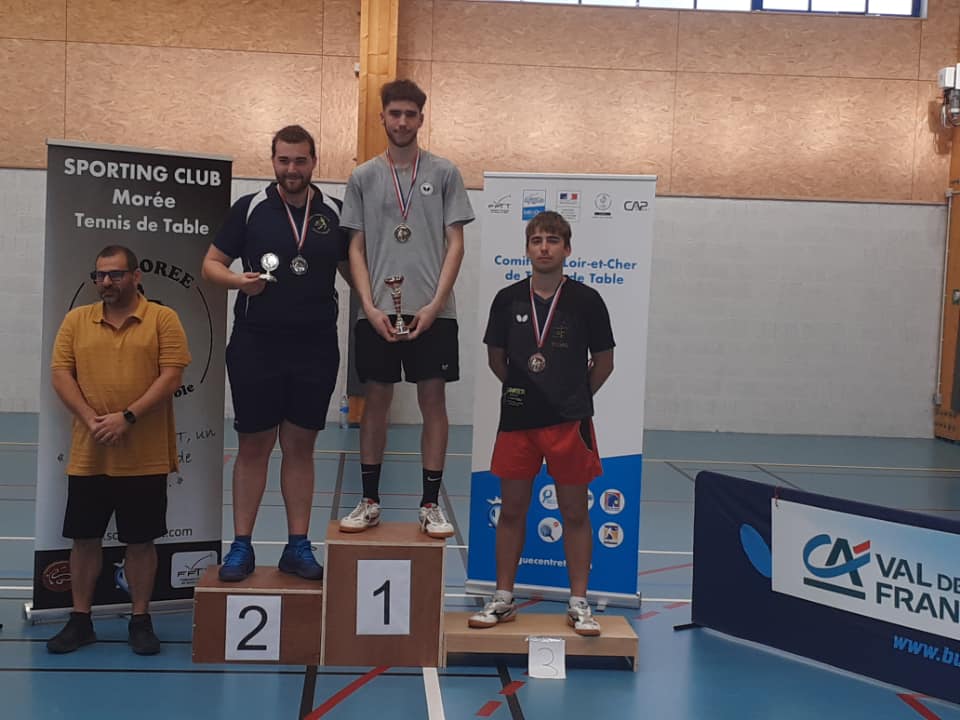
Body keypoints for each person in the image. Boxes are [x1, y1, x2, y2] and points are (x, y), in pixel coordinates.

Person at [201, 125, 350, 582]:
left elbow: (355, 271)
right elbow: (210, 265)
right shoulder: (249, 209)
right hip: (256, 346)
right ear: (273, 161)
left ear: (314, 161)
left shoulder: (336, 213)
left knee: (301, 448)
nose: (292, 169)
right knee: (253, 446)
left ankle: (297, 546)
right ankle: (241, 546)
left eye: (300, 160)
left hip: (315, 348)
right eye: (284, 160)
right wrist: (239, 282)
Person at [468, 211, 615, 636]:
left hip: (570, 424)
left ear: (567, 249)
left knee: (575, 512)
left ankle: (579, 603)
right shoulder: (507, 299)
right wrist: (526, 391)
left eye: (552, 240)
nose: (544, 248)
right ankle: (503, 598)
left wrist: (572, 397)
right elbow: (497, 360)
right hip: (518, 423)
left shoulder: (587, 301)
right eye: (536, 241)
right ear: (527, 249)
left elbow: (604, 363)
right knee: (512, 510)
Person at [338, 80, 474, 538]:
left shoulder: (445, 172)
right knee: (375, 402)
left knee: (433, 402)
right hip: (377, 313)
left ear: (421, 118)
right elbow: (354, 248)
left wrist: (435, 305)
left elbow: (456, 244)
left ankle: (430, 504)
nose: (401, 122)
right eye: (394, 113)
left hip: (433, 313)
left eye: (409, 114)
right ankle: (369, 500)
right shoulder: (362, 177)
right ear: (382, 117)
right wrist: (368, 305)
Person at [46, 245, 191, 655]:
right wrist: (91, 419)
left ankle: (141, 620)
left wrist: (127, 417)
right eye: (100, 276)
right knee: (84, 539)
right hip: (89, 454)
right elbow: (61, 373)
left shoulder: (162, 318)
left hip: (144, 456)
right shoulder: (76, 320)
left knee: (141, 541)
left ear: (136, 276)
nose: (106, 282)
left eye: (115, 274)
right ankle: (80, 621)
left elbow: (172, 376)